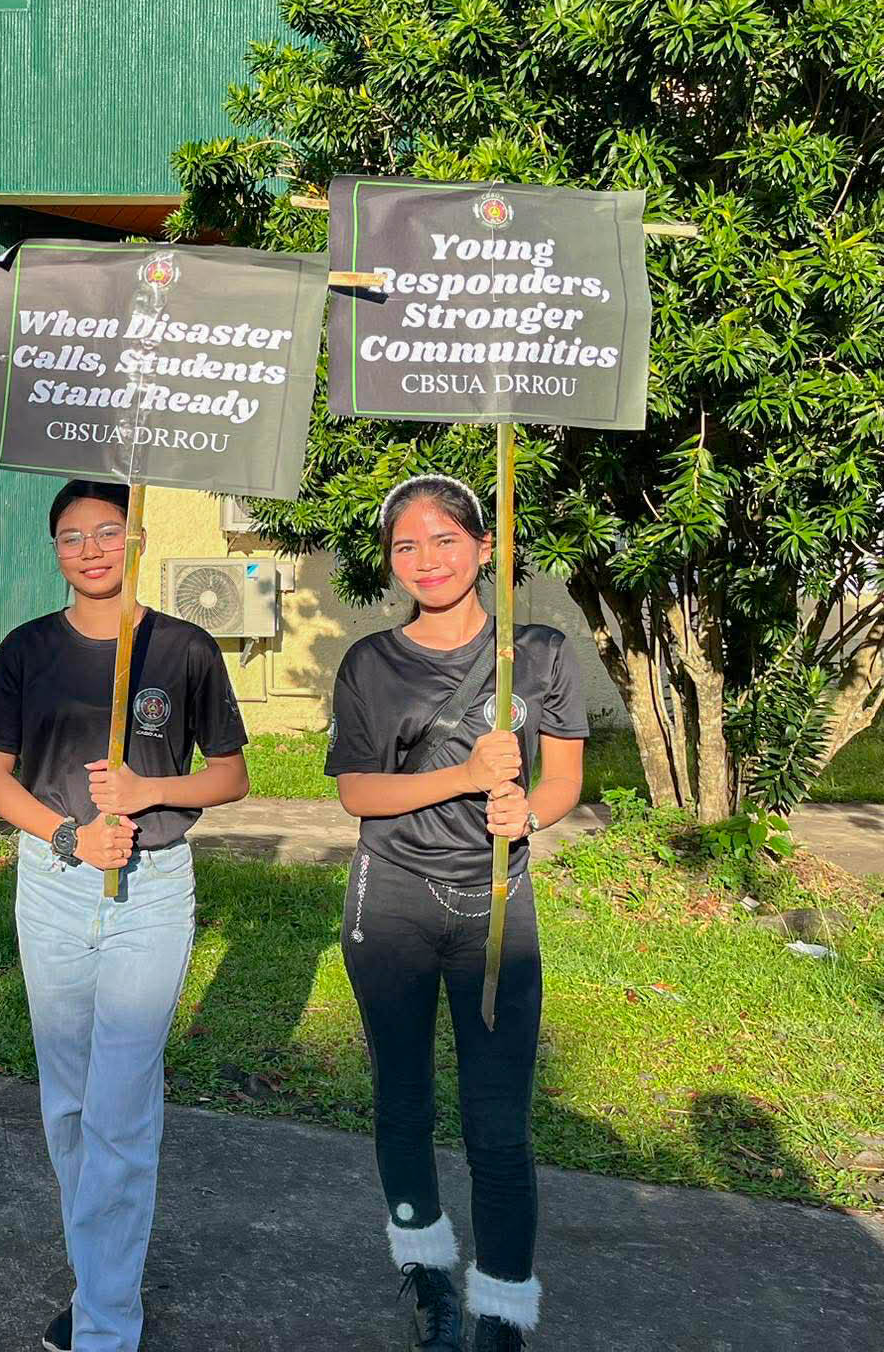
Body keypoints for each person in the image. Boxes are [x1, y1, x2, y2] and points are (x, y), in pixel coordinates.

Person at [0, 480, 250, 1352]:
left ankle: (106, 1326)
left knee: (119, 1110)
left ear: (136, 539)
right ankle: (98, 1280)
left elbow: (232, 775)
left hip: (153, 888)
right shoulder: (26, 649)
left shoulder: (184, 648)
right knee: (67, 1107)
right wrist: (71, 835)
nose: (90, 549)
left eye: (107, 532)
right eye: (71, 536)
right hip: (56, 882)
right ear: (54, 548)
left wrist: (149, 791)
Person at [324, 474, 588, 1352]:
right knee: (402, 1099)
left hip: (497, 902)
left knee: (498, 1122)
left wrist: (528, 814)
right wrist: (467, 777)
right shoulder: (371, 663)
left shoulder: (539, 653)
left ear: (484, 548)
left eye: (444, 540)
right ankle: (428, 1278)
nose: (426, 560)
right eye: (406, 546)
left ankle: (503, 1309)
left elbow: (564, 779)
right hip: (392, 897)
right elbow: (357, 792)